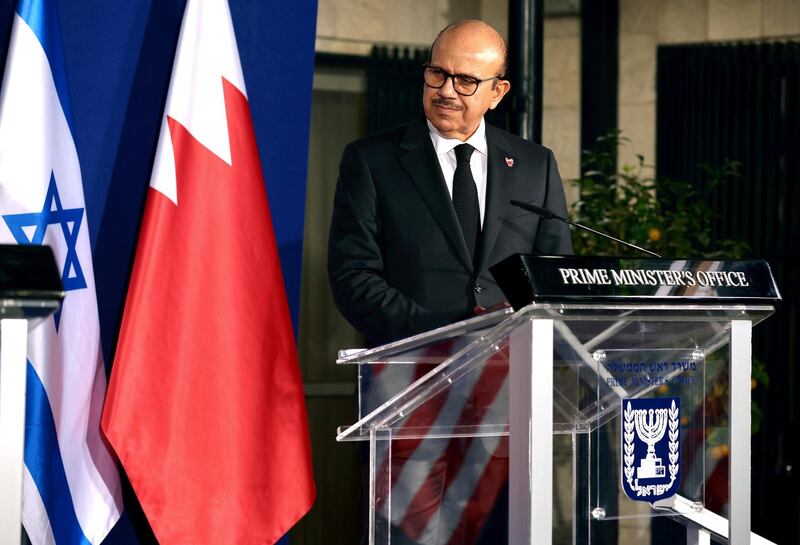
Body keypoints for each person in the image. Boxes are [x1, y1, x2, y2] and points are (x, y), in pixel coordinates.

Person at [328, 19, 573, 349]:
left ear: (497, 92)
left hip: (511, 375)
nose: (445, 91)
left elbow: (555, 276)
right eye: (437, 73)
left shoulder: (535, 166)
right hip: (408, 369)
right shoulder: (371, 161)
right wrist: (443, 335)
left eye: (466, 81)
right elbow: (354, 277)